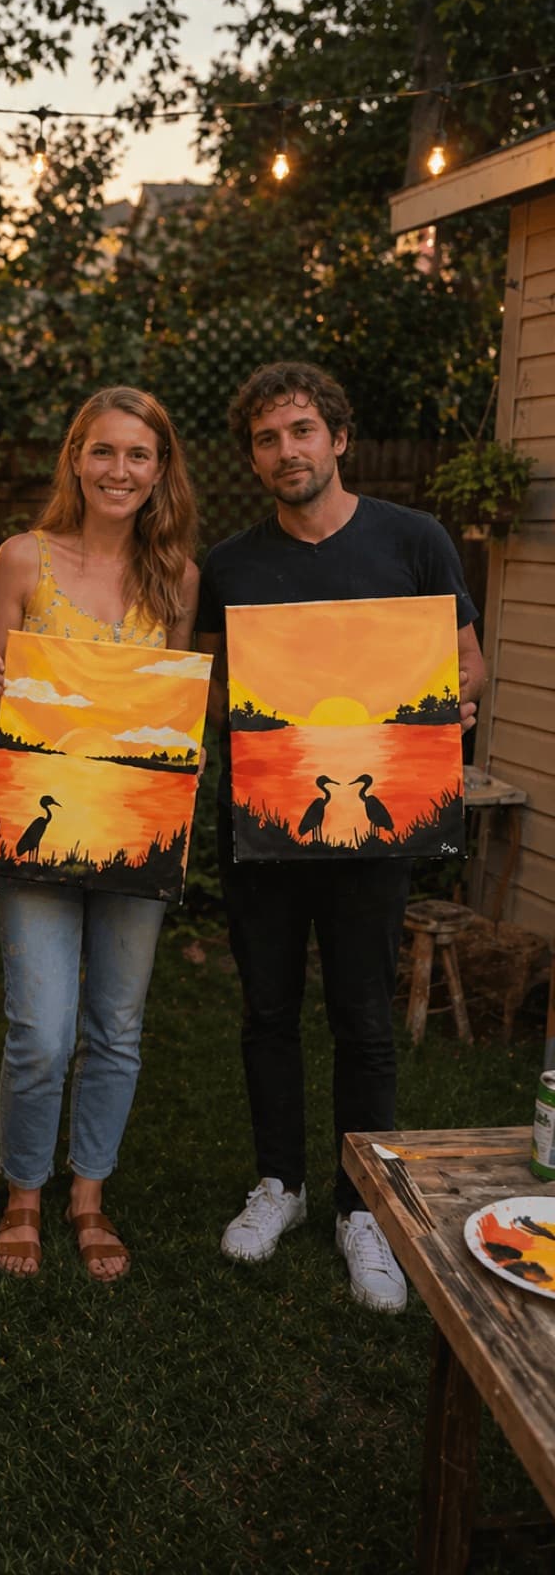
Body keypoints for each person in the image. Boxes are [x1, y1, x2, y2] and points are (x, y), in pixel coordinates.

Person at [196, 360, 485, 1313]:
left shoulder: (414, 541)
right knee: (268, 1011)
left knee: (364, 1018)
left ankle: (366, 1207)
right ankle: (279, 1183)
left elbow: (469, 668)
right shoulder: (231, 564)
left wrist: (433, 717)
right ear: (255, 455)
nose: (288, 451)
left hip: (375, 831)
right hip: (264, 829)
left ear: (339, 438)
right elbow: (204, 687)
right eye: (269, 438)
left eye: (303, 431)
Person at [0, 386, 200, 1283]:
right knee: (40, 1029)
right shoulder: (23, 560)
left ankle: (88, 1193)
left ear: (160, 469)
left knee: (117, 1023)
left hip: (138, 829)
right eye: (103, 452)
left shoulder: (175, 575)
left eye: (138, 455)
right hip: (40, 824)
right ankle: (24, 1188)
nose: (119, 470)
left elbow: (182, 706)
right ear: (76, 458)